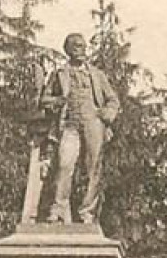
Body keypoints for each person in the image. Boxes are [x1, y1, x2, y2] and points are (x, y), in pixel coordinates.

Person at [39, 33, 120, 224]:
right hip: (69, 124)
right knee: (65, 164)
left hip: (93, 123)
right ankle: (58, 208)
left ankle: (87, 212)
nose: (81, 49)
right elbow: (44, 98)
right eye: (76, 46)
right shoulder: (60, 74)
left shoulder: (97, 75)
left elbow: (113, 100)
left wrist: (107, 114)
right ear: (68, 50)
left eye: (83, 46)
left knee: (94, 168)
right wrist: (58, 101)